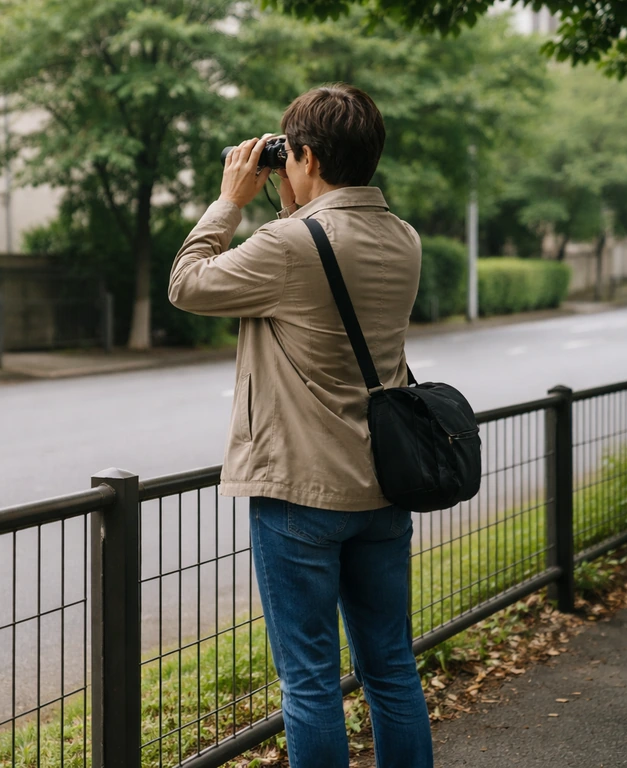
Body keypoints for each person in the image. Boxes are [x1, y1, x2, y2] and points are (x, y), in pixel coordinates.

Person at [167, 84, 433, 768]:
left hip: (301, 497)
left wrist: (230, 199)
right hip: (383, 491)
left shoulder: (289, 245)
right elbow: (319, 262)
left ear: (305, 155)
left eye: (288, 156)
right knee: (393, 672)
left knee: (312, 685)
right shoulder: (403, 237)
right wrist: (292, 200)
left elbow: (188, 283)